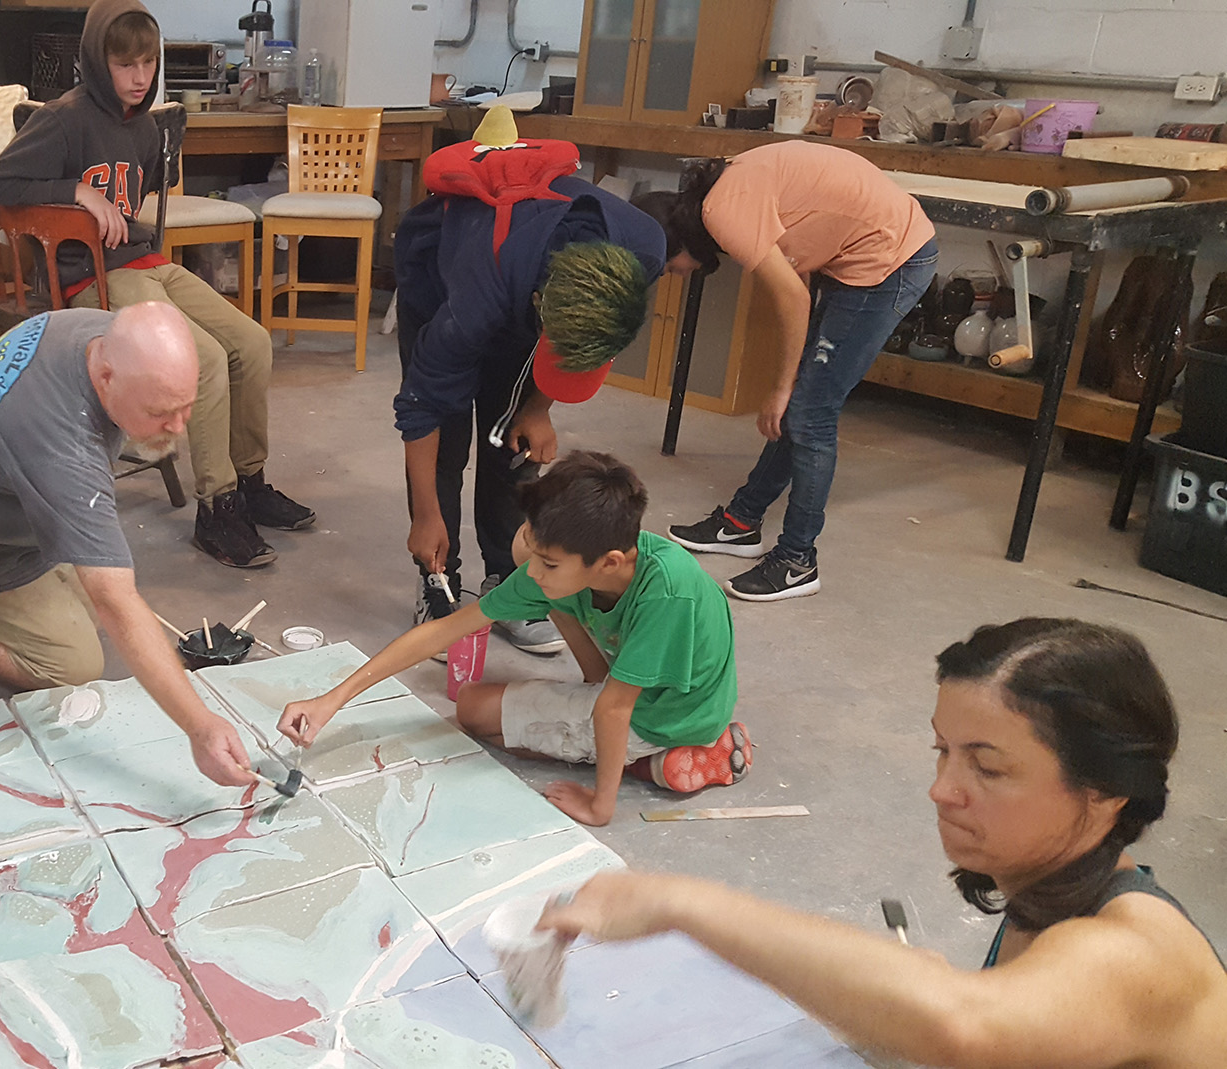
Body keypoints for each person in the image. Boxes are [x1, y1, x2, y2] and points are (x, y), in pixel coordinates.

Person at [538, 618, 1227, 1068]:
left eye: (987, 767)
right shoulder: (1049, 888)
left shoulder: (1138, 951)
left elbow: (964, 1026)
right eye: (942, 751)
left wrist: (679, 900)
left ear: (1105, 790)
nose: (941, 789)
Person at [0, 0, 314, 569]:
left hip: (143, 261)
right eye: (124, 64)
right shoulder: (63, 117)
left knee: (251, 341)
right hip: (91, 278)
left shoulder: (145, 124)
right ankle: (217, 506)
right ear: (96, 59)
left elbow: (140, 194)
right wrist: (77, 193)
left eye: (148, 64)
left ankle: (250, 480)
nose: (139, 78)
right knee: (201, 357)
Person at [281, 451, 749, 827]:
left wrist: (599, 807)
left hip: (669, 715)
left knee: (474, 715)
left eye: (548, 564)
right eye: (532, 546)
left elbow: (615, 708)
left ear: (607, 562)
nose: (534, 571)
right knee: (475, 705)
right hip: (635, 691)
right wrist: (331, 699)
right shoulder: (570, 566)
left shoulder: (668, 593)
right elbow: (442, 631)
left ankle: (665, 759)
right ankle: (639, 755)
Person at [0, 302, 257, 789]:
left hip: (23, 507)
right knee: (77, 664)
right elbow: (114, 599)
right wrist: (200, 726)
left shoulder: (94, 330)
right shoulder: (63, 446)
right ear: (108, 377)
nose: (178, 427)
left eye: (186, 406)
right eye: (160, 412)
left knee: (103, 611)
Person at [394, 107, 664, 656]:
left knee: (509, 437)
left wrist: (537, 408)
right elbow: (420, 405)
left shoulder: (643, 245)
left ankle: (508, 579)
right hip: (441, 281)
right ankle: (437, 583)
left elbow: (567, 355)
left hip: (525, 288)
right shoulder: (475, 299)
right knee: (447, 438)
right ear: (540, 308)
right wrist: (426, 516)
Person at [634, 141, 938, 602]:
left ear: (676, 241)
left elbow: (793, 298)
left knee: (810, 413)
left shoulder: (724, 214)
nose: (671, 275)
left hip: (888, 259)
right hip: (857, 250)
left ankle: (797, 561)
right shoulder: (721, 196)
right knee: (802, 403)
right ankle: (741, 524)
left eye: (665, 266)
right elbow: (799, 254)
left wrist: (780, 388)